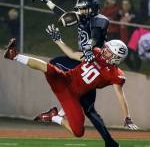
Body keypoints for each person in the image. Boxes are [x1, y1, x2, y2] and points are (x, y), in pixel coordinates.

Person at [4, 37, 138, 146]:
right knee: (49, 68)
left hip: (72, 97)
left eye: (109, 51)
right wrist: (59, 40)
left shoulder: (115, 74)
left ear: (116, 58)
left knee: (79, 132)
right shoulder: (96, 52)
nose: (104, 51)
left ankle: (54, 117)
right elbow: (73, 55)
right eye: (106, 48)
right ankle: (14, 56)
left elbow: (120, 96)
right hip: (65, 80)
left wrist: (127, 117)